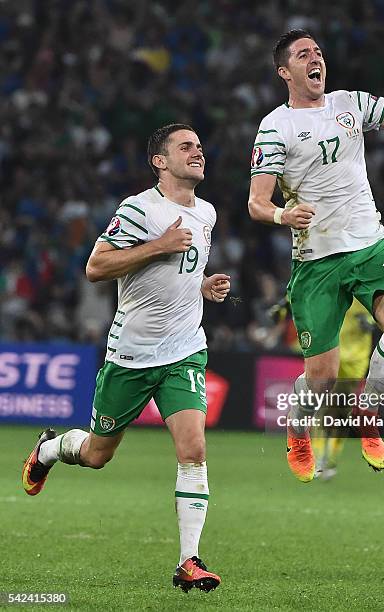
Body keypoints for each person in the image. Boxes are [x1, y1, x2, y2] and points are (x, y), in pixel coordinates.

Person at [22, 123, 229, 593]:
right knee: (97, 455)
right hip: (131, 355)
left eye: (199, 146)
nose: (198, 152)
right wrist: (158, 245)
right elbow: (95, 267)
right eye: (186, 147)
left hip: (184, 351)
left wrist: (202, 286)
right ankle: (49, 449)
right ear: (161, 161)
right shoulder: (139, 210)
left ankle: (189, 561)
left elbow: (175, 275)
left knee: (193, 450)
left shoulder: (207, 213)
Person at [248, 29, 384, 482]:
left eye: (318, 51)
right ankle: (299, 429)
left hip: (368, 243)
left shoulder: (349, 104)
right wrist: (283, 215)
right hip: (316, 260)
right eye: (303, 54)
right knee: (321, 381)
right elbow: (256, 202)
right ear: (285, 72)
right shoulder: (275, 126)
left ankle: (368, 412)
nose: (315, 58)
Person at [312, 298, 375, 480]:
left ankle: (330, 459)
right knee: (322, 406)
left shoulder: (367, 287)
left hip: (355, 359)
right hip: (330, 351)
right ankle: (318, 459)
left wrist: (369, 322)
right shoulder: (334, 282)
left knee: (340, 410)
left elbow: (381, 313)